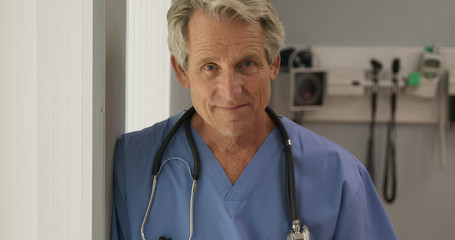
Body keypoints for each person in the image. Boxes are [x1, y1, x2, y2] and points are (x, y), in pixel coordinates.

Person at [111, 0, 398, 239]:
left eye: (246, 64)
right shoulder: (134, 164)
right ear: (182, 71)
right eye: (210, 67)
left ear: (273, 63)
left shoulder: (339, 176)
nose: (230, 90)